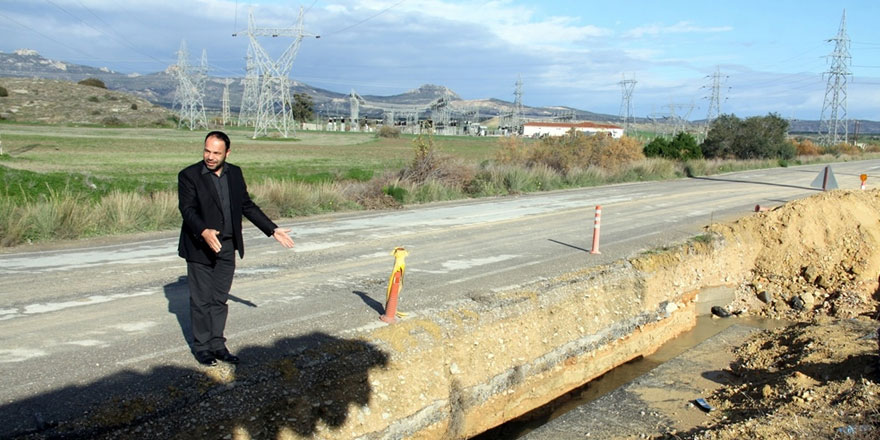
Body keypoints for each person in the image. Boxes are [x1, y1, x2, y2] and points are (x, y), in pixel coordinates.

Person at [178, 130, 295, 366]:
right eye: (207, 151)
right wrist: (204, 231)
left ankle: (217, 345)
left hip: (227, 246)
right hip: (200, 246)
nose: (210, 157)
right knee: (201, 301)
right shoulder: (189, 175)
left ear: (227, 153)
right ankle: (202, 348)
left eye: (216, 153)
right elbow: (187, 210)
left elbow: (246, 206)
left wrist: (272, 229)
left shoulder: (235, 173)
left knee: (218, 299)